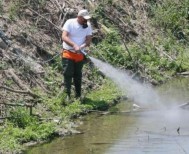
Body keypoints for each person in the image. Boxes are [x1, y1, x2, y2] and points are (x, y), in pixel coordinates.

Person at [61, 9, 93, 102]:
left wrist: (82, 46)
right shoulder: (70, 23)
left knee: (78, 75)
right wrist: (74, 45)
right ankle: (67, 95)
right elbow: (64, 36)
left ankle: (78, 95)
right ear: (79, 17)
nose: (86, 21)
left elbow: (88, 39)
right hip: (68, 52)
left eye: (87, 19)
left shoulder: (88, 26)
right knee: (67, 73)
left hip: (79, 54)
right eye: (84, 19)